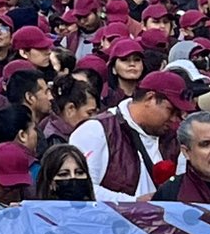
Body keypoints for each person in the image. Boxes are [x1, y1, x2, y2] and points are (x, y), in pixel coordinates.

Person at [68, 70, 193, 201]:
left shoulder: (174, 138)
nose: (174, 119)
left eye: (179, 113)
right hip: (110, 220)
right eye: (171, 110)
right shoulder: (96, 130)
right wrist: (134, 203)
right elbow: (82, 187)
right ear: (150, 98)